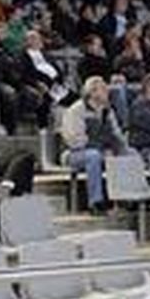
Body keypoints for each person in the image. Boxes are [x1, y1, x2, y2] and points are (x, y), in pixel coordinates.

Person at [57, 75, 126, 213]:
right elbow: (74, 140)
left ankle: (126, 198)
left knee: (129, 153)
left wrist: (117, 147)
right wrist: (101, 146)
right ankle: (95, 202)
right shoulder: (77, 110)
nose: (107, 92)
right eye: (103, 89)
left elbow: (117, 134)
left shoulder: (107, 111)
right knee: (93, 156)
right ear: (92, 92)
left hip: (100, 149)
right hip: (73, 154)